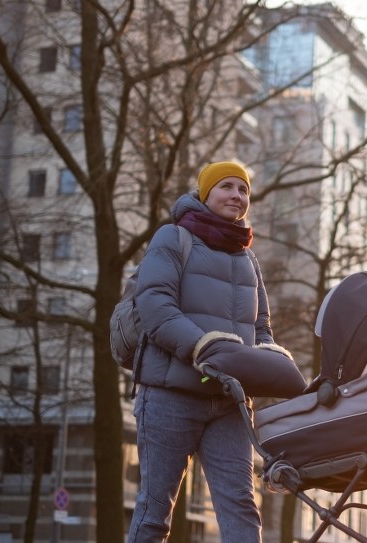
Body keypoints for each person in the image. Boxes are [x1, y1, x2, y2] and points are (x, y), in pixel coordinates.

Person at [127, 161, 290, 542]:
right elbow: (155, 306)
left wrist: (274, 358)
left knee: (242, 510)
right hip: (170, 396)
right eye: (226, 187)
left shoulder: (247, 257)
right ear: (205, 193)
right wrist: (204, 346)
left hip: (229, 402)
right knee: (155, 513)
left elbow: (261, 327)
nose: (236, 195)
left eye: (243, 190)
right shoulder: (173, 238)